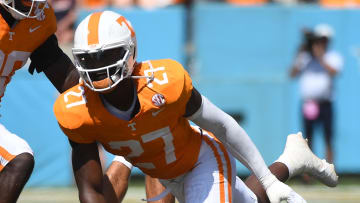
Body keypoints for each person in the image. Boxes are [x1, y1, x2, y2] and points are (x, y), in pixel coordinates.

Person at [53, 11, 338, 203]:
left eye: (109, 56)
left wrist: (267, 179)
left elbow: (222, 124)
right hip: (165, 170)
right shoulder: (76, 110)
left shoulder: (165, 82)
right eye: (90, 60)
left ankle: (279, 171)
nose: (101, 69)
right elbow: (90, 188)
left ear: (131, 52)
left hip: (201, 160)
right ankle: (292, 160)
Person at [0, 0, 81, 202]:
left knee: (19, 158)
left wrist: (96, 95)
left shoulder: (39, 19)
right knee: (18, 157)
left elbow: (62, 73)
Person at [290, 24, 343, 164]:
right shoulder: (304, 57)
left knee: (328, 138)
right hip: (309, 104)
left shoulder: (333, 56)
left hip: (325, 103)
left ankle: (331, 171)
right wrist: (299, 53)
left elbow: (334, 72)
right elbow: (292, 74)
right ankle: (309, 174)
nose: (321, 43)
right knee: (308, 139)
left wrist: (320, 56)